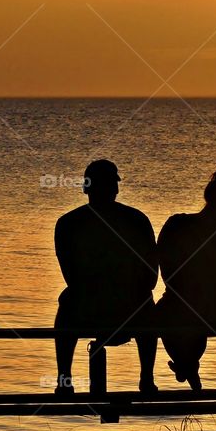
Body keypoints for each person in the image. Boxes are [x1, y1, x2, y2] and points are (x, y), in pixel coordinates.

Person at [54, 159, 158, 394]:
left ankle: (64, 378)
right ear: (116, 188)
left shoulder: (67, 223)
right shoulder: (137, 219)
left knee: (67, 302)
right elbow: (151, 275)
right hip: (129, 309)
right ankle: (147, 379)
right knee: (147, 302)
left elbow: (71, 276)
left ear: (85, 188)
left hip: (87, 308)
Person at [156, 166, 216, 391]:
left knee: (168, 311)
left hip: (180, 306)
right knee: (189, 312)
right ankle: (187, 365)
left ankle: (186, 364)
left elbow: (167, 272)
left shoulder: (176, 224)